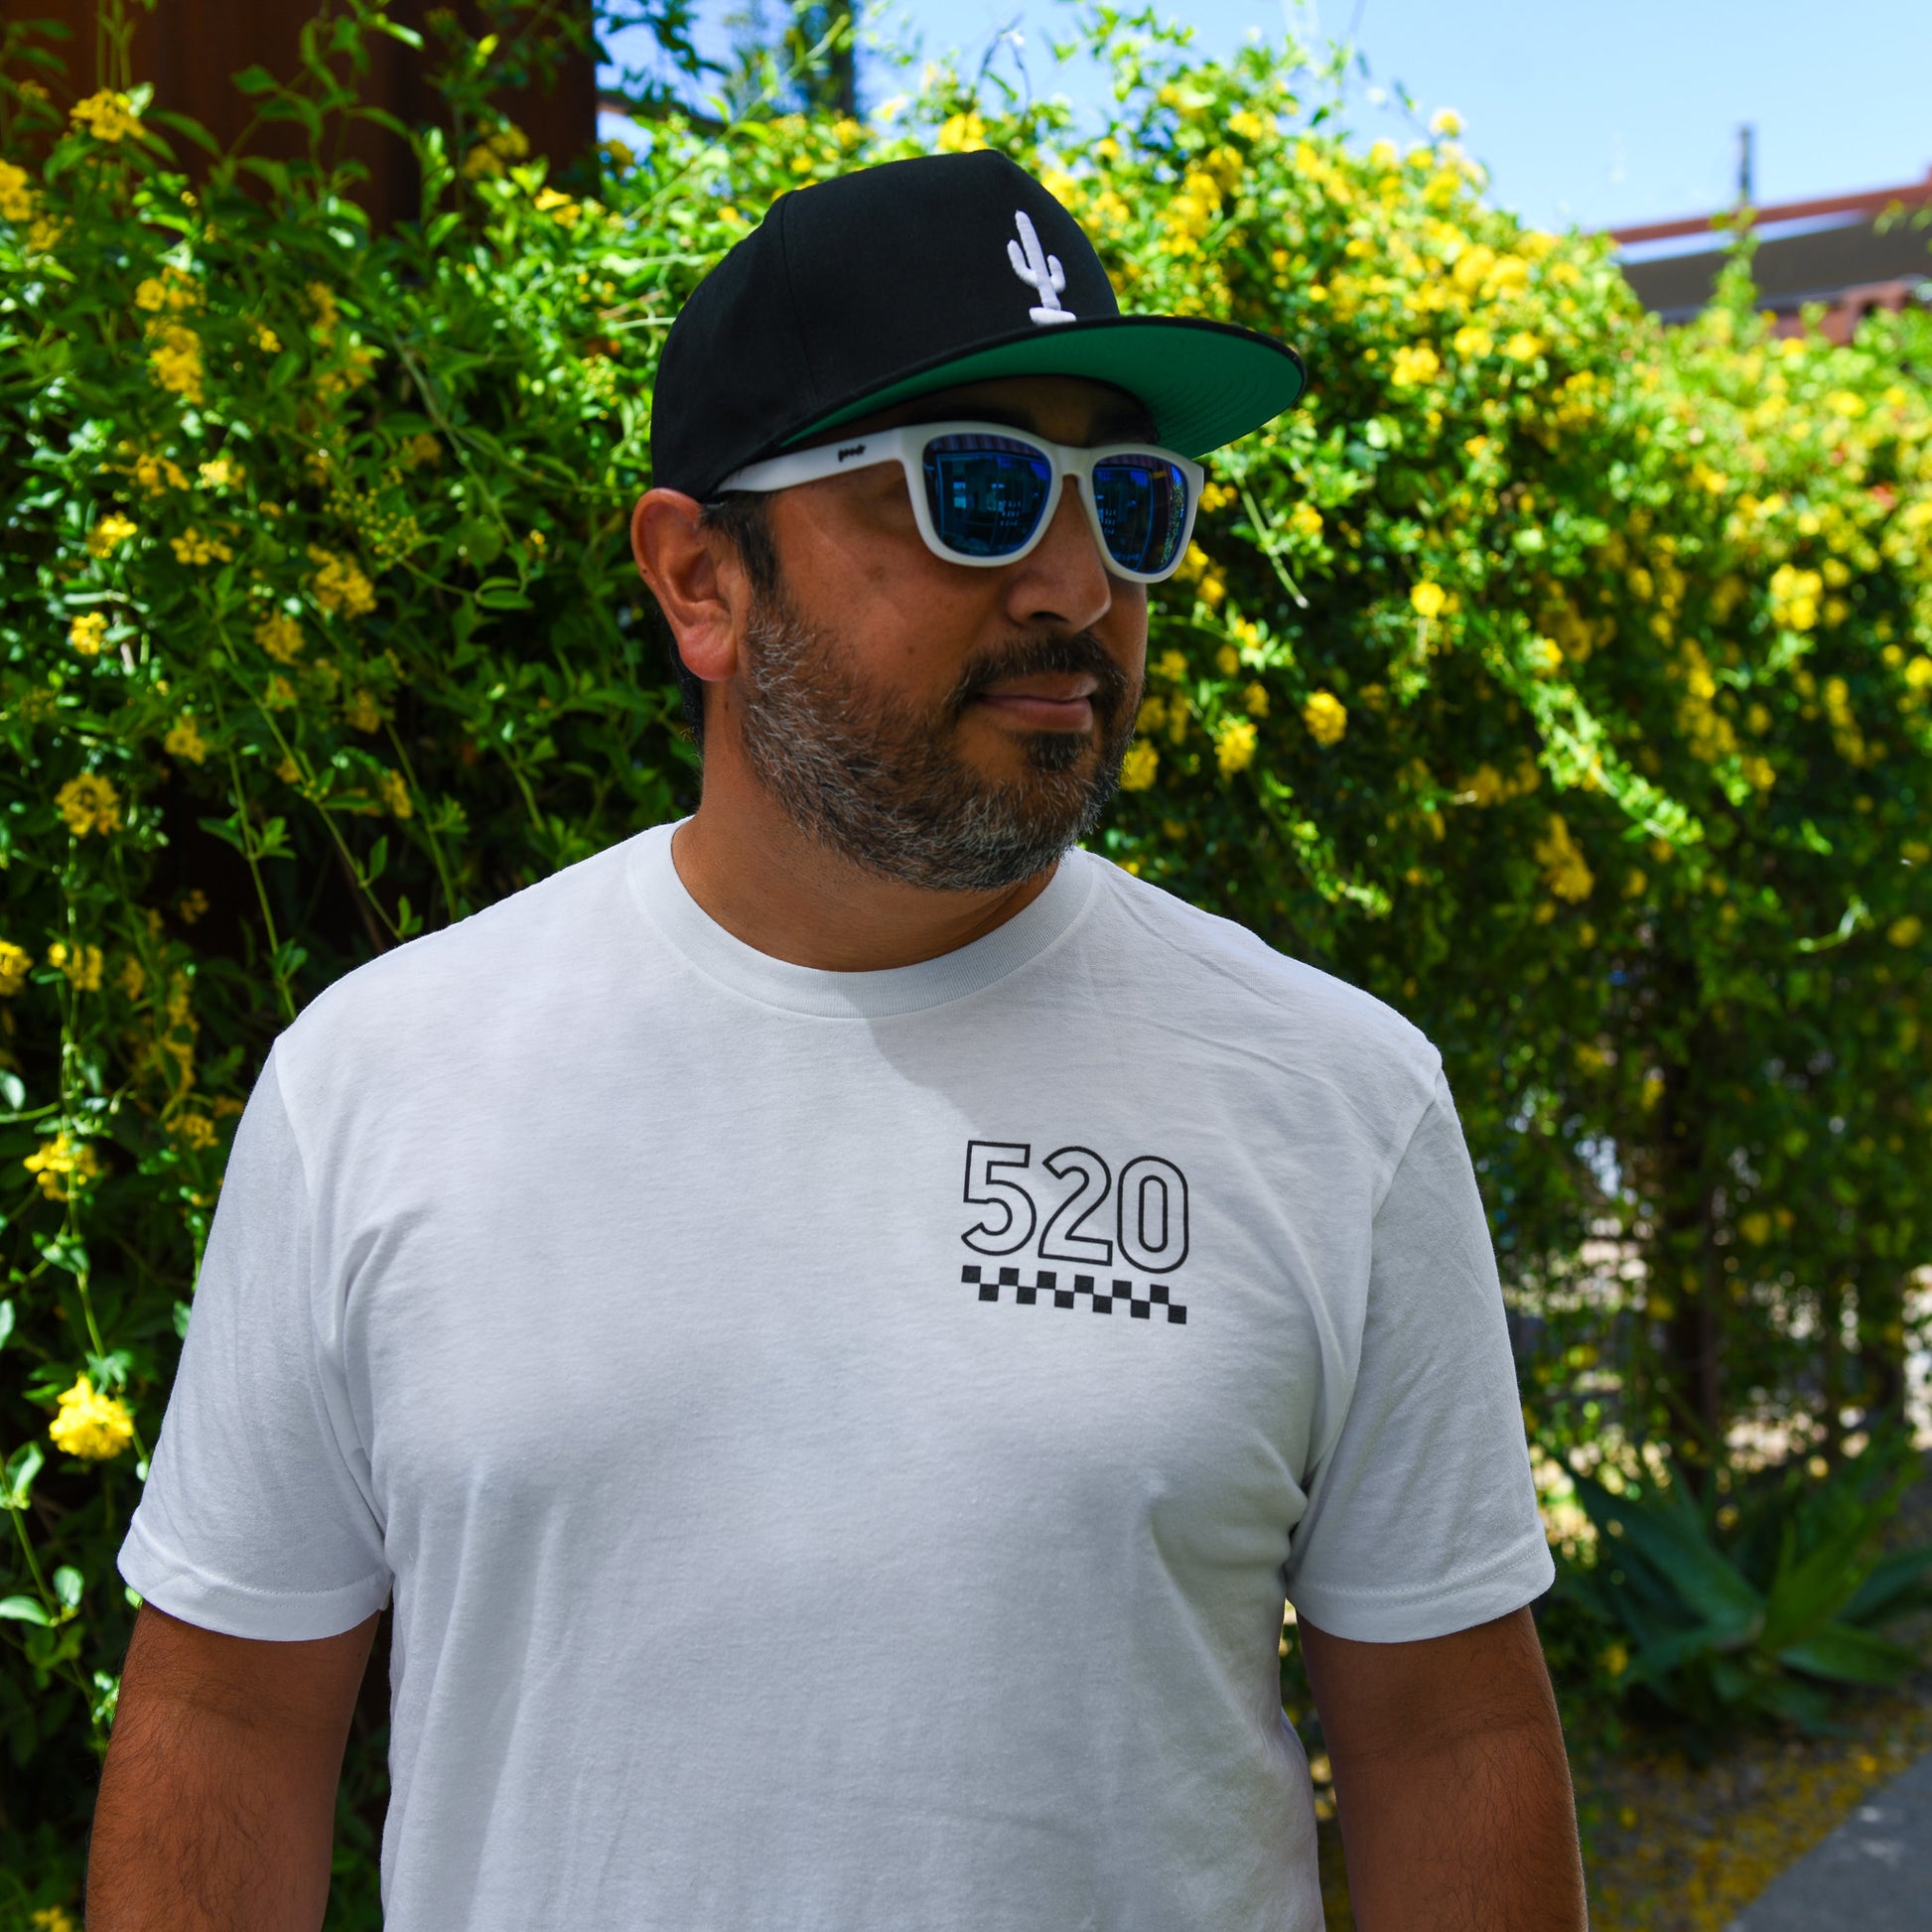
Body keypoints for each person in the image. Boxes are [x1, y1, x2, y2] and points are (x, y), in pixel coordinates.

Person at [89, 151, 1586, 1930]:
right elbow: (229, 1714)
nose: (1073, 581)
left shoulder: (1335, 1101)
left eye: (1130, 500)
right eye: (975, 488)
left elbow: (1444, 1735)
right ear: (699, 579)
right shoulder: (379, 1080)